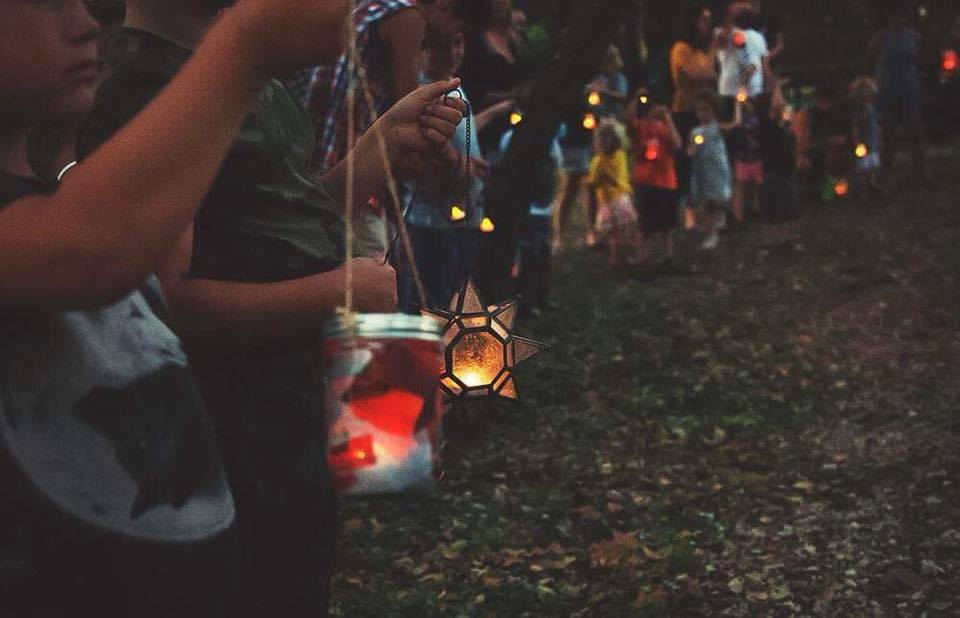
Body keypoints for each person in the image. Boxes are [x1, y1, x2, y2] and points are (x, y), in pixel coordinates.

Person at [76, 1, 466, 616]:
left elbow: (270, 226)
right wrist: (336, 292)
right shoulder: (145, 94)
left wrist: (376, 148)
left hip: (289, 428)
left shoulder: (231, 76)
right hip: (230, 444)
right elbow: (159, 308)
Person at [0, 0, 361, 615]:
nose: (86, 23)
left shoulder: (54, 186)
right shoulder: (67, 225)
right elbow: (85, 254)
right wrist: (247, 44)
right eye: (45, 3)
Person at [398, 31, 492, 313]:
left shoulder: (454, 87)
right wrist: (459, 164)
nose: (453, 52)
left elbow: (461, 133)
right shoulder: (422, 91)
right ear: (422, 51)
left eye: (458, 42)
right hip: (433, 220)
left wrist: (497, 112)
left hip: (460, 216)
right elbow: (427, 144)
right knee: (435, 303)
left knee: (456, 293)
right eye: (441, 46)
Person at [459, 0, 528, 153]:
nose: (498, 5)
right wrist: (509, 97)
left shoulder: (517, 40)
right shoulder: (475, 41)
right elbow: (472, 89)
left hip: (519, 122)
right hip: (487, 125)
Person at [867, 2, 926, 180]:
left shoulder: (913, 36)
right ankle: (886, 169)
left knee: (914, 129)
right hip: (887, 89)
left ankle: (920, 169)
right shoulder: (880, 38)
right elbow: (869, 58)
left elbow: (921, 57)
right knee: (888, 131)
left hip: (908, 88)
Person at [670, 4, 718, 211]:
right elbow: (701, 74)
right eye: (703, 19)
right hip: (685, 111)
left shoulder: (700, 51)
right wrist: (715, 46)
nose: (707, 24)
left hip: (704, 110)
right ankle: (686, 205)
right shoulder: (681, 49)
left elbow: (713, 74)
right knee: (686, 160)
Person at [632, 93, 683, 264]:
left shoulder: (664, 127)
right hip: (645, 180)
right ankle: (642, 255)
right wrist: (636, 98)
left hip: (666, 180)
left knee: (667, 223)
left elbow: (677, 145)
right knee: (644, 222)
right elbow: (628, 124)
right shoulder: (639, 126)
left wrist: (667, 118)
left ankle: (668, 255)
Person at [584, 119, 638, 269]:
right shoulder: (620, 154)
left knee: (613, 235)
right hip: (623, 198)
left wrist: (586, 182)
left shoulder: (598, 161)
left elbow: (594, 183)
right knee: (624, 231)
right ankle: (628, 256)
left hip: (609, 202)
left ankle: (615, 259)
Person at [688, 95, 734, 250]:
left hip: (718, 168)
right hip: (703, 170)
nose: (702, 114)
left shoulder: (717, 127)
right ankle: (710, 232)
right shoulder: (696, 131)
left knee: (718, 200)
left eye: (705, 110)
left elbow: (734, 125)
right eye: (699, 110)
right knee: (707, 203)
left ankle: (716, 226)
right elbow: (691, 151)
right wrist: (693, 148)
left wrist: (739, 106)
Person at [757, 91, 799, 246]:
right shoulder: (767, 126)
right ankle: (771, 238)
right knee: (771, 205)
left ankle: (785, 237)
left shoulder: (786, 126)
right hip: (772, 171)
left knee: (787, 204)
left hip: (786, 170)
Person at [715, 8, 768, 123]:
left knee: (731, 126)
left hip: (730, 89)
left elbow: (753, 64)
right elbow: (762, 65)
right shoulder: (758, 37)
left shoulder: (725, 34)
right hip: (753, 89)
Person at [849, 76, 883, 195]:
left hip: (872, 141)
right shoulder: (858, 110)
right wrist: (857, 142)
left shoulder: (871, 107)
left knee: (873, 164)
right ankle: (862, 188)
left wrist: (879, 138)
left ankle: (872, 184)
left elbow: (876, 125)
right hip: (863, 142)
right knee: (863, 166)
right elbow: (855, 127)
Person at [731, 98, 762, 222]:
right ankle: (739, 217)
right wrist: (737, 106)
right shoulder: (738, 123)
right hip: (742, 160)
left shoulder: (756, 122)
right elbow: (737, 126)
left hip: (756, 158)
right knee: (740, 188)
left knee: (757, 188)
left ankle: (757, 211)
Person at [587, 45, 630, 121]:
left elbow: (622, 95)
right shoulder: (600, 77)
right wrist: (589, 89)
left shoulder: (619, 78)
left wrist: (603, 91)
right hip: (598, 117)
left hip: (613, 116)